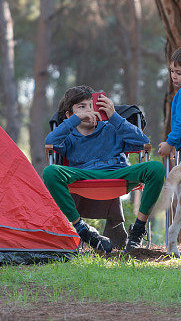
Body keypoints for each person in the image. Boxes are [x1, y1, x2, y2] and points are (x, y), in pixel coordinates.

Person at [42, 85, 164, 253]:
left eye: (91, 105)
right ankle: (82, 229)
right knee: (50, 172)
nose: (88, 110)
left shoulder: (112, 127)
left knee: (156, 168)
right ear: (69, 115)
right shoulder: (68, 136)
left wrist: (114, 116)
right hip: (84, 176)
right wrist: (75, 121)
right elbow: (50, 141)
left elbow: (142, 142)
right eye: (81, 107)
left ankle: (137, 230)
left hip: (117, 174)